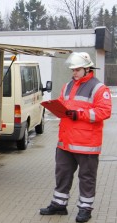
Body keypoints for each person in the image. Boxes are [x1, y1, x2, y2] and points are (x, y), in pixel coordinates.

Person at [39, 52, 112, 222]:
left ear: (87, 69)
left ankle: (85, 209)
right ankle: (59, 205)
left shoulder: (99, 88)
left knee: (86, 178)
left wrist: (79, 114)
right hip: (66, 142)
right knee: (62, 174)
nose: (74, 73)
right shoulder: (68, 85)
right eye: (73, 70)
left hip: (86, 143)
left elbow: (104, 111)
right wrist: (54, 106)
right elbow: (63, 104)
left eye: (77, 70)